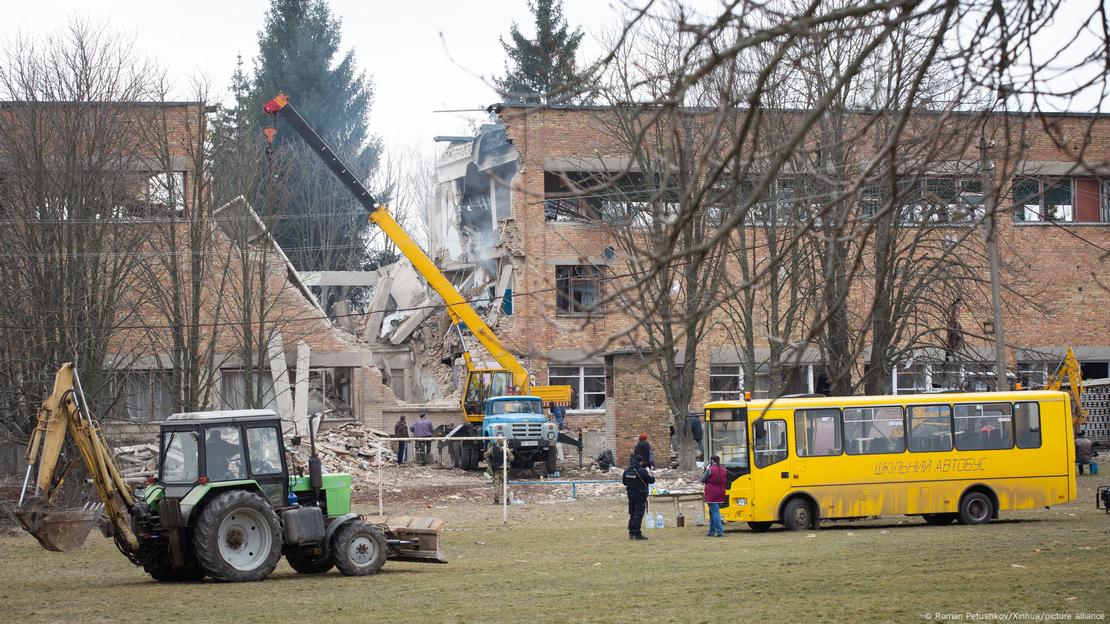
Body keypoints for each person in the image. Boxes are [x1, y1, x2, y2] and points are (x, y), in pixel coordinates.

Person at [622, 453, 655, 540]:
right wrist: (649, 472)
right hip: (640, 495)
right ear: (640, 462)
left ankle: (631, 532)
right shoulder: (642, 471)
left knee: (632, 513)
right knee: (638, 514)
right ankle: (637, 533)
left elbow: (624, 482)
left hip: (630, 496)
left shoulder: (627, 471)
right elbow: (651, 480)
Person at [702, 455, 727, 537]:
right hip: (721, 493)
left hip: (711, 493)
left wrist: (705, 470)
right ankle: (711, 531)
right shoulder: (724, 470)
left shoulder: (710, 469)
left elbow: (703, 479)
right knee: (712, 512)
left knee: (715, 512)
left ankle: (720, 531)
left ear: (712, 460)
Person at [484, 440, 514, 504]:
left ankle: (496, 500)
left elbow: (485, 455)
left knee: (496, 485)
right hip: (504, 470)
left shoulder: (492, 449)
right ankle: (506, 500)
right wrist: (507, 457)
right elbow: (512, 458)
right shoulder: (506, 449)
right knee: (505, 485)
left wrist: (491, 463)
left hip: (497, 470)